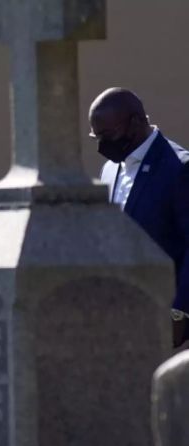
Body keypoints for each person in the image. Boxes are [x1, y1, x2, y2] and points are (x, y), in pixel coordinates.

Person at [90, 87, 189, 347]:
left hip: (163, 317)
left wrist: (180, 311)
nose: (102, 145)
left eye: (108, 135)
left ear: (135, 122)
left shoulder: (178, 168)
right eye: (96, 136)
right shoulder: (110, 169)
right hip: (117, 314)